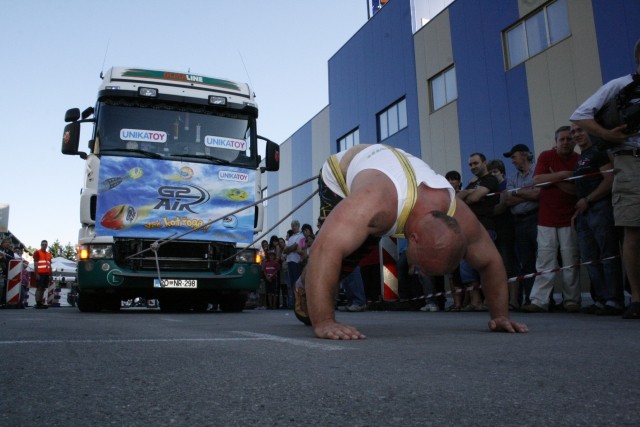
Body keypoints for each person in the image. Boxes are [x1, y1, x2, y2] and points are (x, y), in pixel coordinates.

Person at [295, 144, 527, 339]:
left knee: (350, 251)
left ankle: (313, 291)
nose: (420, 272)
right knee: (341, 255)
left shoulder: (460, 216)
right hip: (340, 174)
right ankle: (302, 286)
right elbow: (323, 249)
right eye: (422, 267)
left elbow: (491, 262)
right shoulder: (375, 206)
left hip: (388, 173)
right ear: (412, 239)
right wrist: (325, 321)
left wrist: (500, 316)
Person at [570, 40, 640, 318]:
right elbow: (580, 115)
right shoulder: (621, 85)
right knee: (633, 230)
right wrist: (608, 135)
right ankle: (636, 298)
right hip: (631, 159)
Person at [521, 127, 581, 313]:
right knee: (544, 260)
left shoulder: (579, 160)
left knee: (570, 260)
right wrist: (564, 175)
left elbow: (576, 190)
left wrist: (552, 177)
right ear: (556, 141)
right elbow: (538, 180)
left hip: (569, 218)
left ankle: (572, 300)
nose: (565, 142)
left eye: (569, 139)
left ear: (574, 141)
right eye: (561, 139)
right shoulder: (546, 156)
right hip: (546, 219)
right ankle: (540, 301)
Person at [570, 123, 624, 314]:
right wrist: (578, 210)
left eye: (579, 130)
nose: (576, 134)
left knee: (607, 255)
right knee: (590, 257)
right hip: (584, 213)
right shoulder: (580, 159)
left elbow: (610, 180)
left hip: (600, 209)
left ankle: (614, 300)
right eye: (573, 132)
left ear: (590, 132)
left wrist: (588, 199)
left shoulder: (598, 152)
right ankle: (600, 299)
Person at [456, 153, 499, 312]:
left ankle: (491, 302)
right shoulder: (473, 182)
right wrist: (469, 192)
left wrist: (469, 194)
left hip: (486, 228)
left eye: (476, 163)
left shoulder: (490, 179)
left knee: (485, 265)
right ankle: (475, 302)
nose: (473, 167)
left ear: (484, 163)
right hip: (469, 228)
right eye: (470, 164)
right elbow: (458, 199)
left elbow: (474, 199)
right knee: (466, 267)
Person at [503, 144, 540, 307]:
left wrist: (518, 192)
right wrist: (527, 193)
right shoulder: (512, 178)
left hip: (535, 219)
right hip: (518, 223)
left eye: (514, 157)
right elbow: (508, 199)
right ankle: (529, 298)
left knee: (541, 260)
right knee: (526, 262)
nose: (512, 161)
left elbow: (538, 193)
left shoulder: (538, 173)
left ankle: (543, 298)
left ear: (524, 156)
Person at [487, 159, 518, 309]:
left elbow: (503, 205)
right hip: (494, 228)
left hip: (507, 227)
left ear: (502, 173)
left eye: (495, 172)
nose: (493, 175)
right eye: (490, 172)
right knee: (497, 266)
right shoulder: (490, 187)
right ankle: (501, 299)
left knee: (508, 264)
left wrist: (485, 212)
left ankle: (513, 299)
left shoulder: (506, 185)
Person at [283, 220, 304, 308]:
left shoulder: (301, 236)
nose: (293, 227)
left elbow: (295, 246)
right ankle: (294, 301)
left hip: (296, 261)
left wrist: (289, 249)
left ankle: (299, 301)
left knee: (297, 282)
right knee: (291, 283)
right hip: (289, 261)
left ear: (298, 226)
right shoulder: (291, 237)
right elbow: (285, 250)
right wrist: (290, 249)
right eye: (292, 226)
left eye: (295, 225)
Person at [33, 240, 53, 309]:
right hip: (40, 273)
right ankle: (37, 303)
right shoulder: (37, 252)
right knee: (39, 288)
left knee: (43, 288)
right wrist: (36, 274)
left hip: (46, 274)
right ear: (41, 245)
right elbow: (35, 264)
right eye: (43, 244)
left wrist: (51, 275)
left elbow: (50, 265)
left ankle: (40, 302)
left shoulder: (48, 254)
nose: (44, 246)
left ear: (47, 245)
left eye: (45, 244)